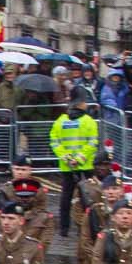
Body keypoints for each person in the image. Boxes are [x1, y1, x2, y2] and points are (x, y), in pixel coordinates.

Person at [48, 97, 100, 239]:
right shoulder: (88, 121)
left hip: (67, 166)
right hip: (85, 166)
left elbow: (54, 142)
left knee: (66, 198)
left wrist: (66, 158)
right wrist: (79, 159)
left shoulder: (60, 121)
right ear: (81, 105)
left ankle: (64, 229)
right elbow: (93, 142)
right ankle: (88, 228)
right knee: (87, 199)